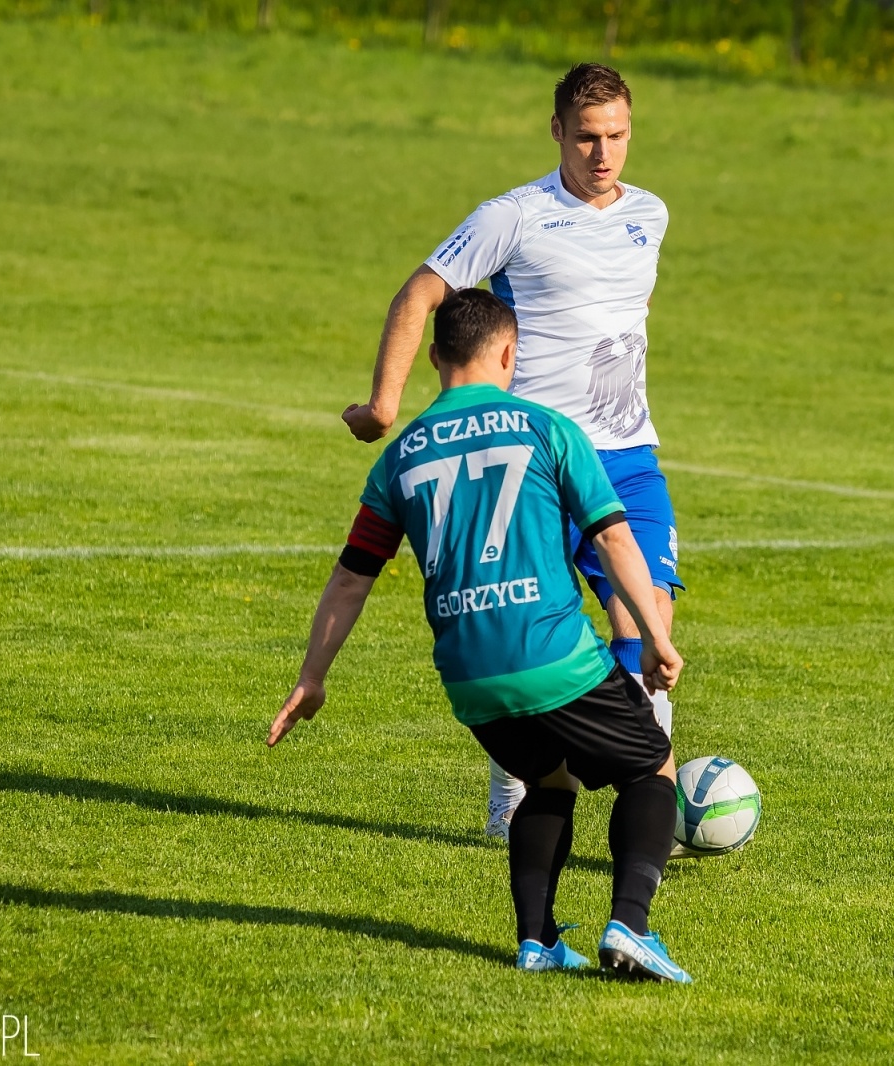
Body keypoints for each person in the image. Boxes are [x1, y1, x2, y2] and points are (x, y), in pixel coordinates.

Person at [270, 288, 693, 982]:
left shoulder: (399, 457)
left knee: (546, 777)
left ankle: (538, 940)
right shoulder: (549, 428)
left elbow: (352, 578)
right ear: (508, 354)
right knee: (650, 767)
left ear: (434, 356)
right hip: (551, 652)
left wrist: (312, 678)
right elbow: (613, 535)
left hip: (469, 676)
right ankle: (632, 927)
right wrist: (655, 635)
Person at [340, 62, 682, 840]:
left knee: (646, 623)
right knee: (534, 632)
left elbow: (628, 307)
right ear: (557, 131)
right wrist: (386, 405)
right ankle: (516, 792)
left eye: (619, 137)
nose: (604, 154)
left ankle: (654, 804)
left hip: (626, 454)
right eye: (588, 137)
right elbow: (418, 294)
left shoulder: (652, 215)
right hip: (534, 460)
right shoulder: (514, 217)